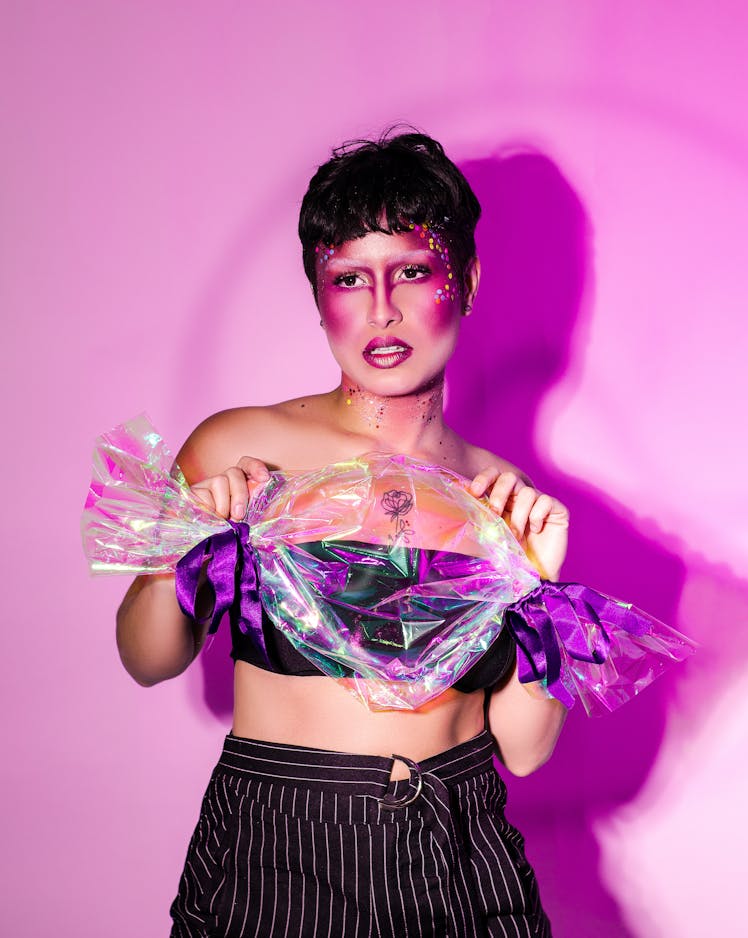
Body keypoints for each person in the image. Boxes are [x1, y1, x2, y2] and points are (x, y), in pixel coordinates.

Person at [116, 130, 570, 937]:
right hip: (284, 847)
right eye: (350, 278)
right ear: (319, 297)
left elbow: (526, 751)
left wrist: (536, 589)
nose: (383, 310)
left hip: (463, 847)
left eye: (413, 272)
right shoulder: (239, 446)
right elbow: (149, 660)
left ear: (464, 280)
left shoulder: (503, 494)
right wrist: (180, 546)